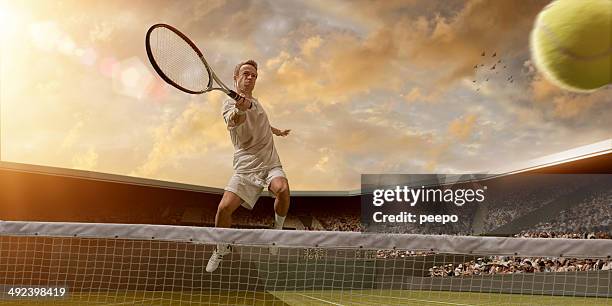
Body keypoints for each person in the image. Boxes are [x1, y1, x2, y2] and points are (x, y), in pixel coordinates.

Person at [206, 59, 291, 273]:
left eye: (253, 75)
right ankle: (221, 248)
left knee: (282, 189)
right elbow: (233, 122)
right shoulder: (229, 104)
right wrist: (240, 110)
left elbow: (260, 121)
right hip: (245, 167)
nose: (250, 77)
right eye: (246, 73)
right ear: (236, 78)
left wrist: (276, 131)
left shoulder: (258, 103)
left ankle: (277, 234)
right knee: (224, 209)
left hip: (270, 163)